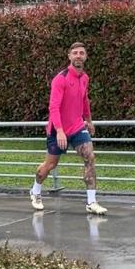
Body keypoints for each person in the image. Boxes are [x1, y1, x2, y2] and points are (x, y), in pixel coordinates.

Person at [30, 41, 106, 215]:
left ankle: (91, 201)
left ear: (85, 56)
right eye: (75, 53)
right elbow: (53, 107)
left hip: (78, 128)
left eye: (81, 53)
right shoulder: (60, 79)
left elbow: (84, 100)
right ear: (69, 56)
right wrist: (60, 131)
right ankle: (35, 191)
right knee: (49, 165)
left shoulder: (85, 78)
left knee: (90, 157)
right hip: (58, 130)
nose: (78, 56)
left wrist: (89, 120)